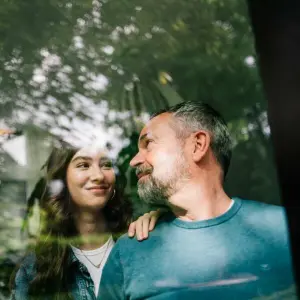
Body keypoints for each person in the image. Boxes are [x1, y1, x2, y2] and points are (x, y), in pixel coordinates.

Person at [99, 101, 296, 299]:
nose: (134, 161)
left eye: (148, 143)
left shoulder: (282, 229)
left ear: (197, 145)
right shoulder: (128, 252)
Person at [10, 144, 160, 299]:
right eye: (84, 165)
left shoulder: (140, 239)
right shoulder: (34, 269)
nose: (99, 176)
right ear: (62, 181)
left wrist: (162, 222)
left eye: (106, 165)